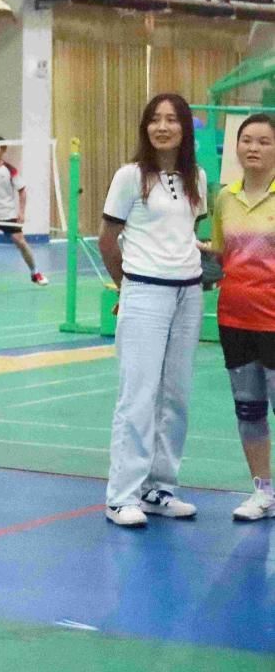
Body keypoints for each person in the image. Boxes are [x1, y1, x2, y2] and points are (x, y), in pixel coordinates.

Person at [98, 93, 208, 527]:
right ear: (145, 127)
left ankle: (159, 487)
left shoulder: (196, 177)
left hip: (189, 294)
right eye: (155, 119)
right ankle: (121, 496)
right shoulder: (130, 176)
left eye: (172, 119)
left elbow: (185, 233)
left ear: (185, 128)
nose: (163, 127)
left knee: (175, 396)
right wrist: (127, 286)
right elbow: (108, 240)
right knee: (138, 395)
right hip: (145, 292)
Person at [203, 113, 275, 521]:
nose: (254, 148)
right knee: (249, 409)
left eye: (264, 141)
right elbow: (221, 253)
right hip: (234, 318)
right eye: (247, 140)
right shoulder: (225, 199)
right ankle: (263, 492)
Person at [0, 137, 48, 288]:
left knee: (21, 242)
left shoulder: (10, 170)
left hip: (7, 215)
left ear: (3, 150)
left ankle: (35, 273)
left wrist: (21, 212)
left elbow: (22, 191)